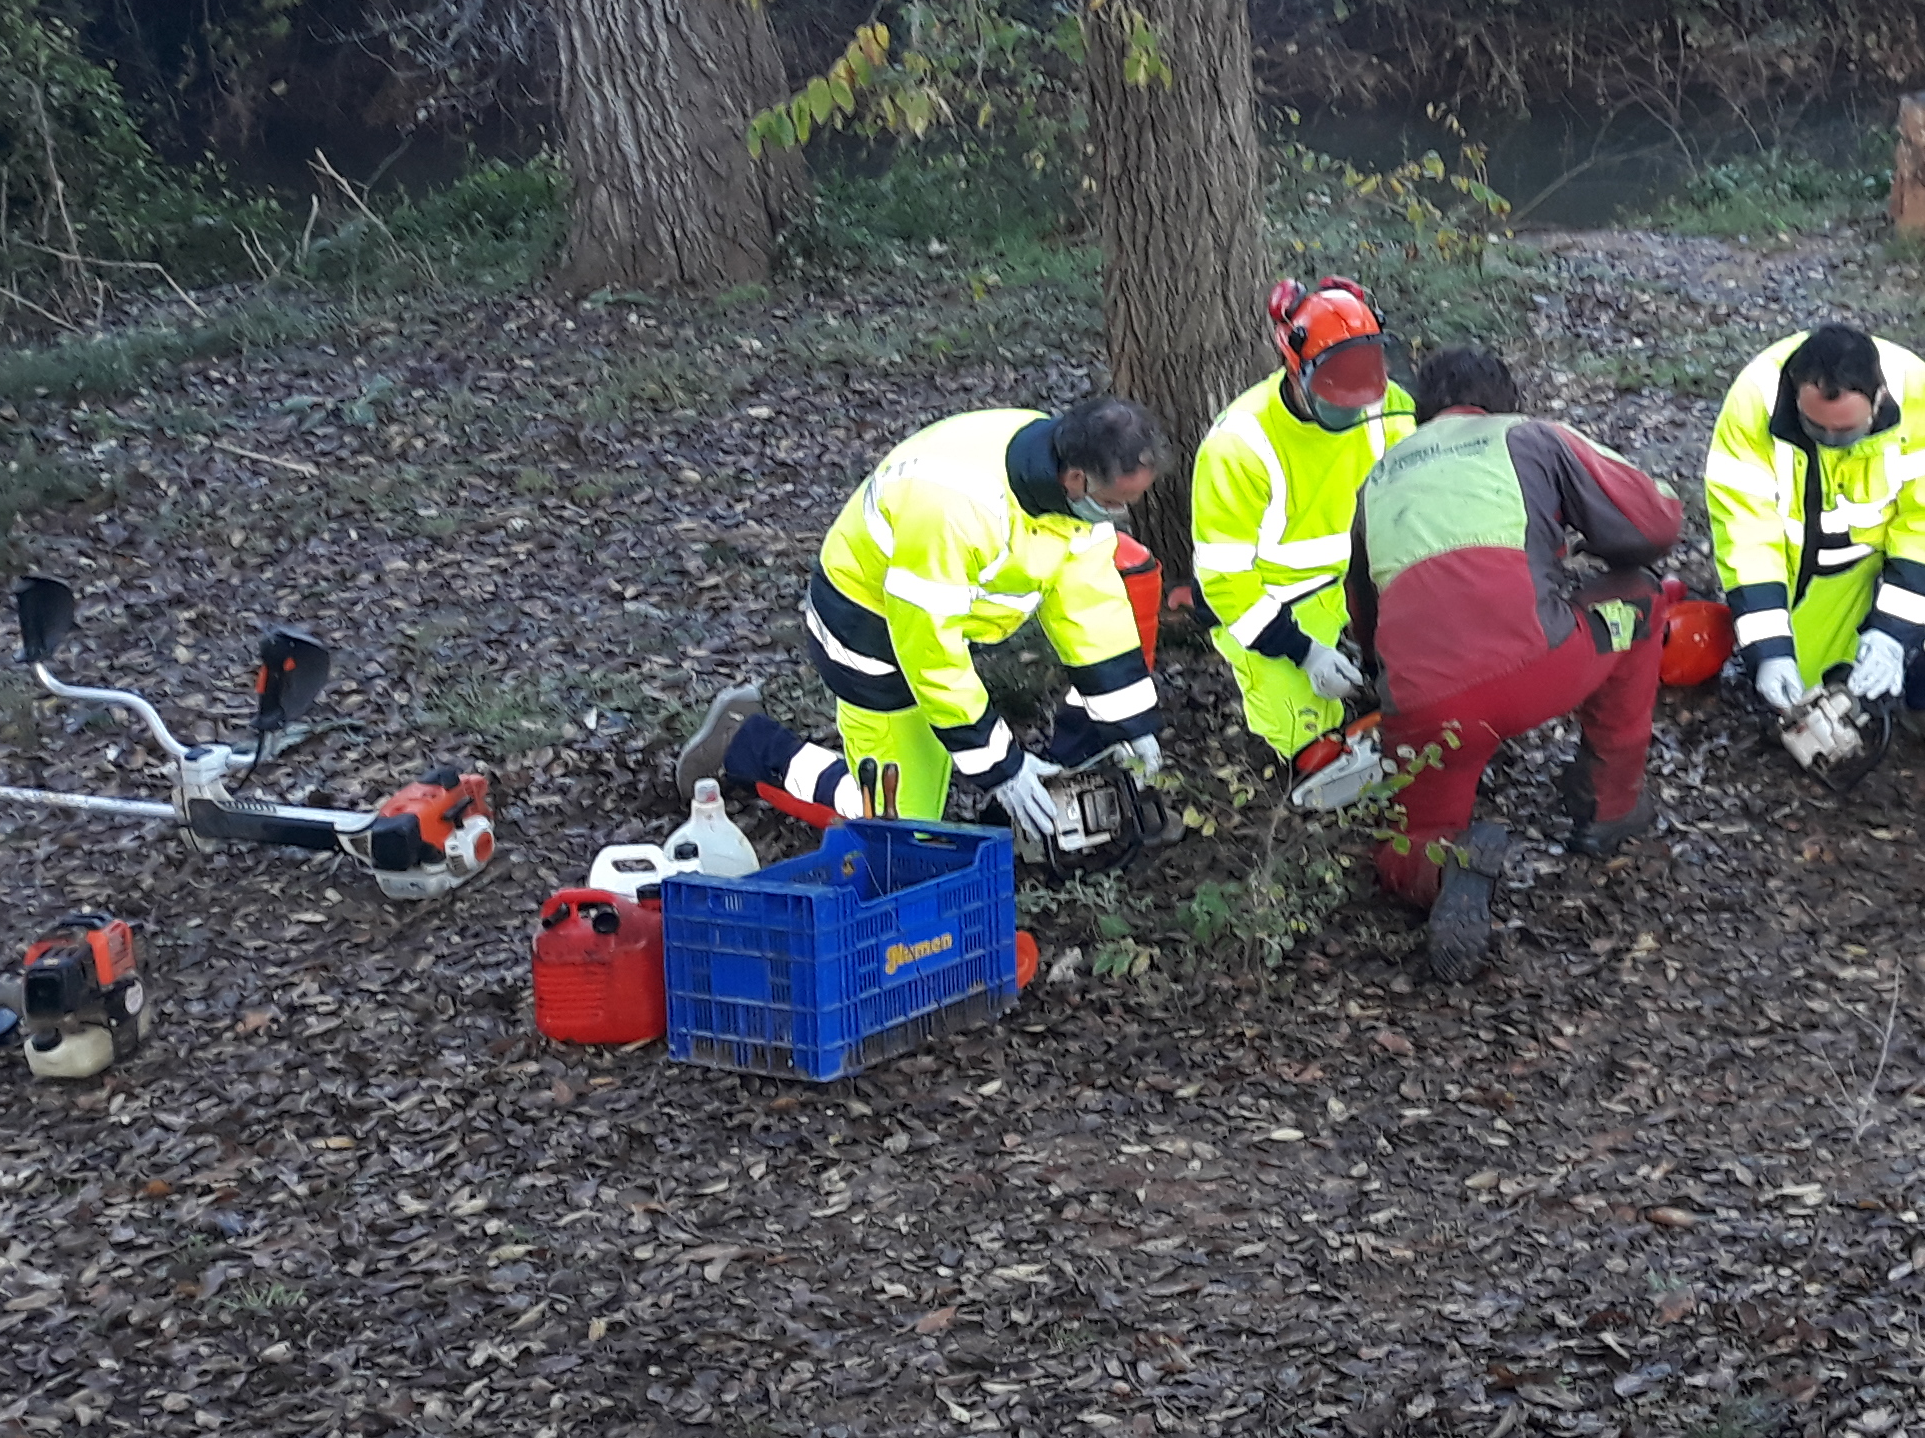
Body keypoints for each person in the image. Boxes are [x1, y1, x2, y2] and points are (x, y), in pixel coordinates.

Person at [677, 400, 1167, 864]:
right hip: (868, 628)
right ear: (1077, 479)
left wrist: (1130, 723)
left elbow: (1089, 602)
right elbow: (931, 654)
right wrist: (1004, 768)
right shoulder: (955, 511)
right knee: (896, 822)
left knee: (925, 784)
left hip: (931, 614)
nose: (1120, 514)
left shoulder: (1061, 467)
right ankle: (748, 745)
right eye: (1112, 502)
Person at [1345, 347, 1685, 982]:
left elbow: (1365, 618)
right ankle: (1608, 807)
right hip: (1538, 663)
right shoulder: (1530, 437)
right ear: (1506, 399)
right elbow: (1651, 526)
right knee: (1639, 597)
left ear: (1422, 412)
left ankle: (1447, 866)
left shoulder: (1380, 477)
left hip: (1422, 706)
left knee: (1406, 842)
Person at [1702, 321, 1925, 775]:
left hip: (1892, 546)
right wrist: (1770, 648)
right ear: (1795, 394)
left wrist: (1893, 633)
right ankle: (1833, 660)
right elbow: (1746, 536)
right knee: (1801, 695)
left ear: (1878, 399)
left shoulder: (1919, 395)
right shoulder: (1752, 403)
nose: (1833, 441)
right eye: (1817, 427)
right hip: (1813, 570)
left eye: (1848, 429)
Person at [1192, 277, 1416, 809]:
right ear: (1296, 370)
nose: (1353, 411)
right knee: (1314, 750)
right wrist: (1304, 651)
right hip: (1276, 604)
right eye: (1336, 399)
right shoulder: (1239, 446)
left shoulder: (1390, 406)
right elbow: (1226, 585)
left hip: (1368, 581)